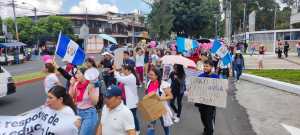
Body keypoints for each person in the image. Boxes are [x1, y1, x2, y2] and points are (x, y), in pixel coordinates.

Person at [69, 68, 99, 135]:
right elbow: (70, 97)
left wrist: (90, 91)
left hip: (89, 114)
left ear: (85, 75)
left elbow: (95, 102)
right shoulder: (76, 84)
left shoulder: (92, 84)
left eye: (78, 73)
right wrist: (71, 85)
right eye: (76, 73)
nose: (76, 75)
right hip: (78, 112)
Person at [114, 64, 140, 134]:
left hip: (132, 101)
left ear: (128, 70)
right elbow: (121, 75)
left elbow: (120, 79)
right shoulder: (128, 76)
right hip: (127, 100)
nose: (122, 71)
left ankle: (137, 130)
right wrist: (117, 71)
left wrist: (115, 71)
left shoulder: (130, 77)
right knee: (128, 116)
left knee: (133, 116)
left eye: (123, 69)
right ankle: (130, 129)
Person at [146, 68, 173, 135]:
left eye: (152, 75)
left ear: (157, 76)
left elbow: (170, 96)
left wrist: (160, 98)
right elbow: (147, 92)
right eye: (149, 74)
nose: (150, 76)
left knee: (164, 124)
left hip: (161, 108)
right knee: (151, 124)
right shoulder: (149, 82)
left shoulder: (163, 84)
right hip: (152, 107)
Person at [196, 60, 219, 135]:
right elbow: (195, 88)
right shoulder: (200, 76)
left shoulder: (216, 77)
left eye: (207, 66)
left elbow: (220, 89)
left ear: (211, 67)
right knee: (203, 118)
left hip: (210, 103)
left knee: (209, 120)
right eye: (204, 66)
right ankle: (206, 130)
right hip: (201, 103)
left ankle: (209, 132)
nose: (205, 67)